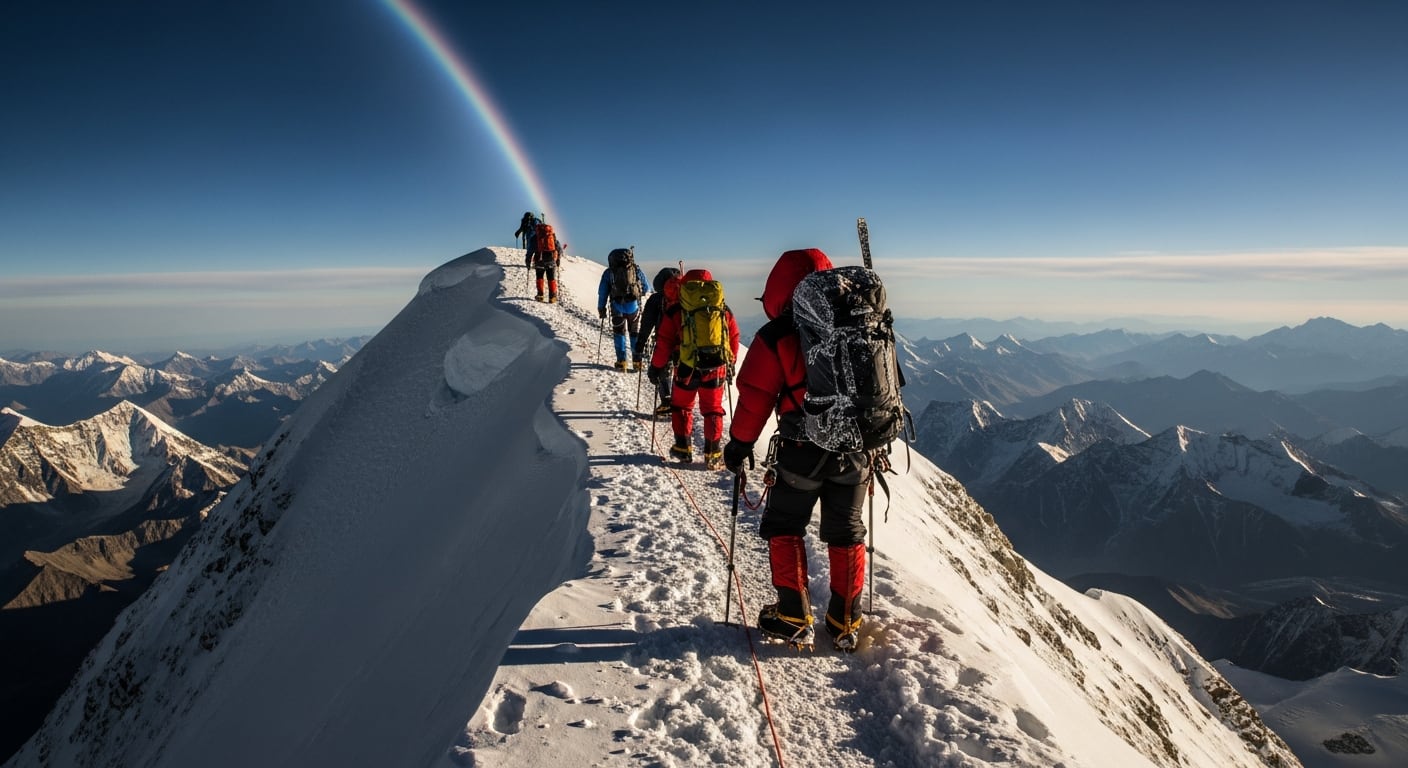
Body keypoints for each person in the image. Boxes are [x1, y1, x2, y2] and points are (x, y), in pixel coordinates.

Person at [721, 248, 870, 652]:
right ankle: (845, 621)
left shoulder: (778, 336)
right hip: (855, 450)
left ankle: (792, 615)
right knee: (847, 530)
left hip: (802, 450)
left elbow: (755, 399)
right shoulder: (861, 325)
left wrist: (739, 446)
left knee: (784, 524)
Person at [648, 268, 740, 468]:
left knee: (682, 407)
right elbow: (733, 337)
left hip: (686, 368)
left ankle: (683, 448)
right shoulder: (722, 309)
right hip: (716, 368)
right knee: (712, 409)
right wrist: (730, 363)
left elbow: (663, 342)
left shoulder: (676, 309)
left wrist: (656, 367)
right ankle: (713, 454)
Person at [633, 267, 682, 416]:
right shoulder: (686, 296)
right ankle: (680, 403)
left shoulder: (655, 299)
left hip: (664, 339)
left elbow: (647, 324)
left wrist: (640, 346)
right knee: (681, 372)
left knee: (662, 369)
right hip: (685, 341)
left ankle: (666, 401)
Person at [597, 248, 650, 371]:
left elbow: (603, 292)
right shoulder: (636, 270)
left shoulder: (609, 272)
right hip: (634, 307)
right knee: (634, 334)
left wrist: (601, 308)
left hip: (617, 307)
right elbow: (646, 287)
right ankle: (637, 362)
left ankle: (622, 362)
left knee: (619, 333)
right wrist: (636, 293)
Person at [526, 219, 561, 302]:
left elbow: (530, 251)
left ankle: (540, 295)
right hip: (551, 259)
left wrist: (528, 261)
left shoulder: (535, 237)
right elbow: (558, 248)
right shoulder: (551, 235)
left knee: (539, 277)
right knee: (551, 278)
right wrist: (558, 259)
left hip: (539, 259)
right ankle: (552, 297)